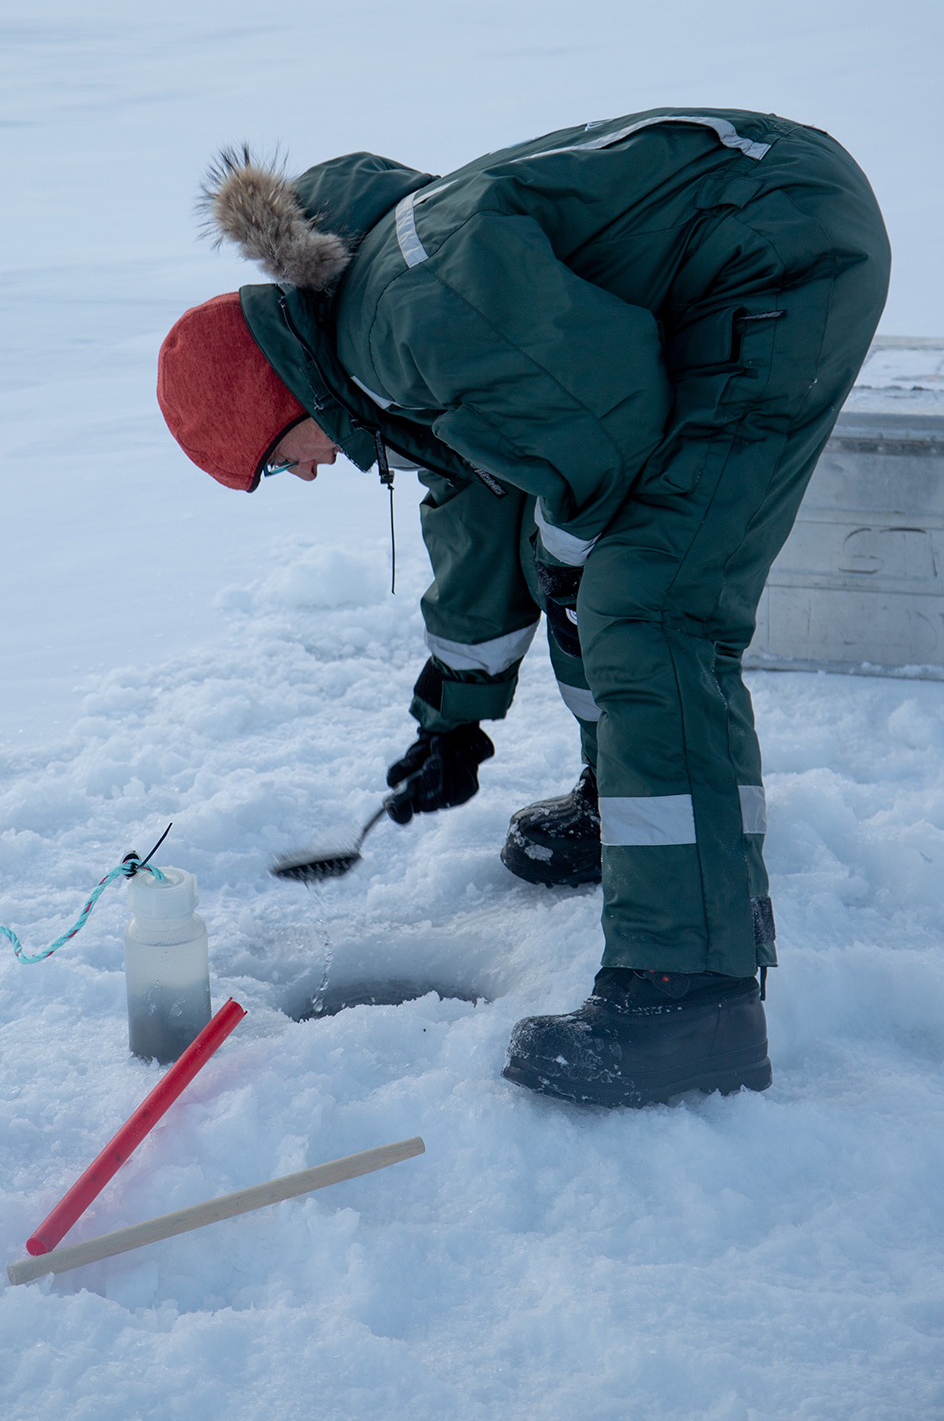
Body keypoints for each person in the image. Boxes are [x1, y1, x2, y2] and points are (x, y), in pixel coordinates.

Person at [156, 108, 889, 1107]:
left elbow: (610, 440)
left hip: (776, 253)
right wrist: (454, 714)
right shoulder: (363, 330)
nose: (308, 475)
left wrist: (586, 581)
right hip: (751, 233)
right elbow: (479, 488)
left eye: (278, 467)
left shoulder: (408, 316)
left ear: (274, 401)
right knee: (595, 572)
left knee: (649, 604)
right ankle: (631, 814)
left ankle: (693, 993)